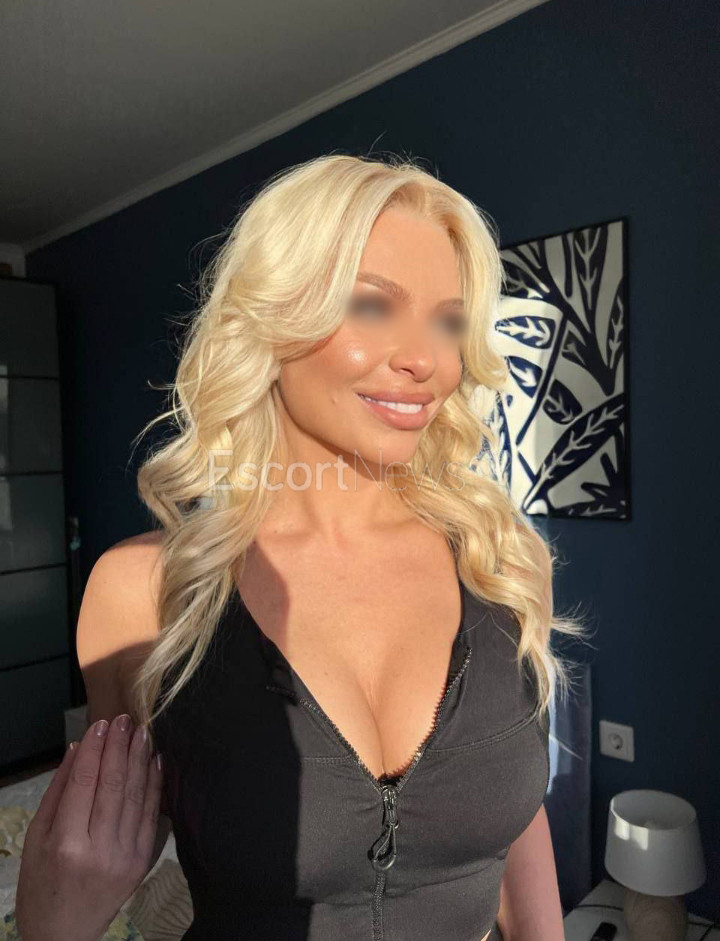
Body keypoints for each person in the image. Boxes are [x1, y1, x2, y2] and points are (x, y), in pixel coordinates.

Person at [15, 153, 585, 940]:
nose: (426, 359)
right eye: (372, 304)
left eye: (450, 321)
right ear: (273, 321)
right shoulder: (145, 590)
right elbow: (98, 849)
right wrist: (53, 917)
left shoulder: (503, 559)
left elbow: (516, 819)